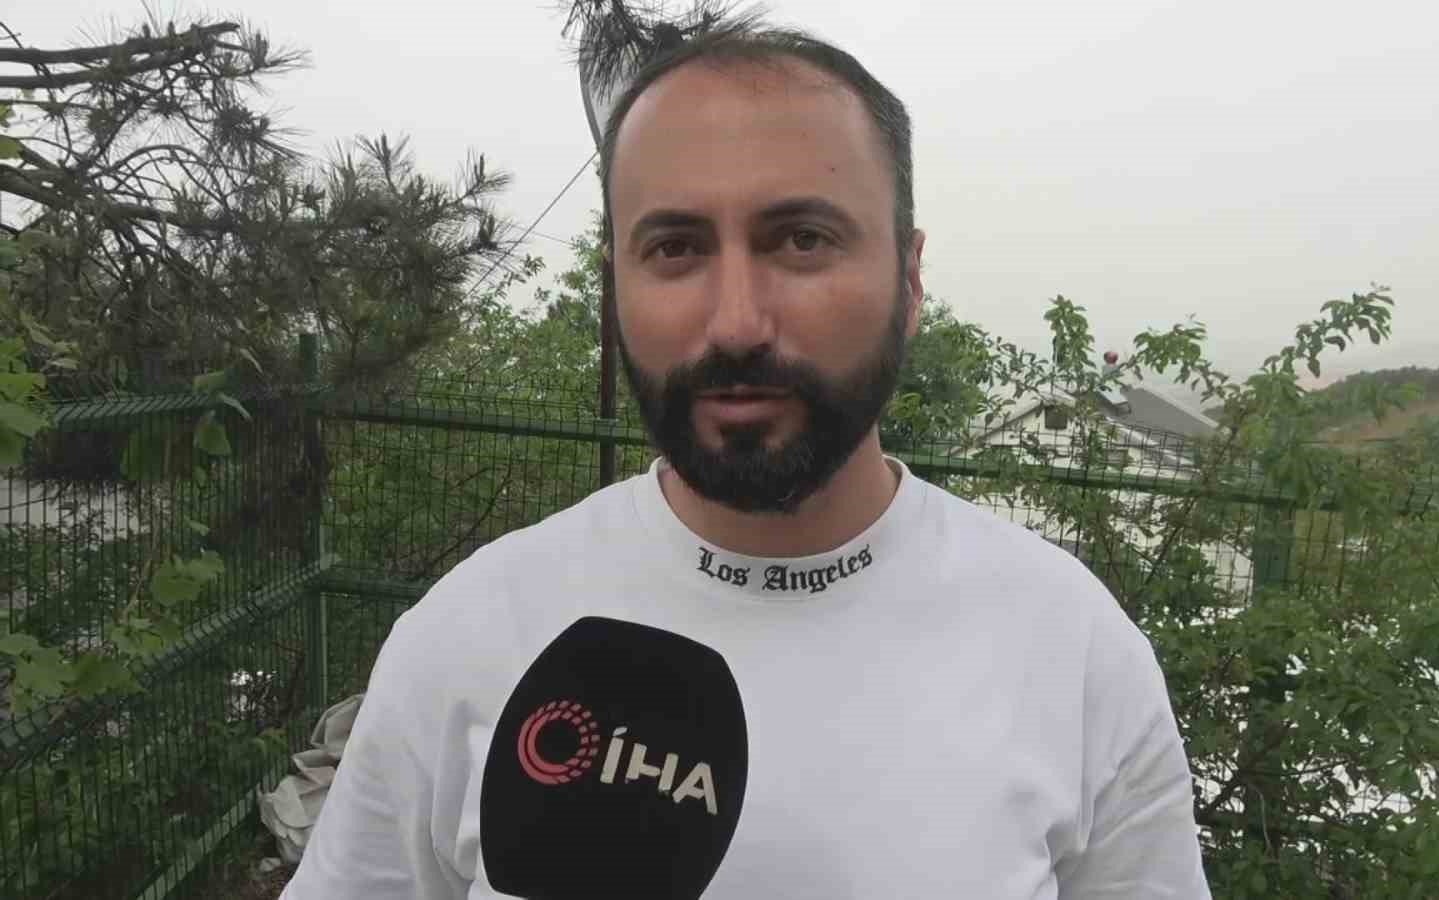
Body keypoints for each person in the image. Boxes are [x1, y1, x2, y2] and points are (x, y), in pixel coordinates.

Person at [282, 17, 1211, 900]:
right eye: (675, 248)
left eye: (802, 240)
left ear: (910, 278)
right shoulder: (465, 636)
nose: (735, 323)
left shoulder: (1076, 655)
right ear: (617, 284)